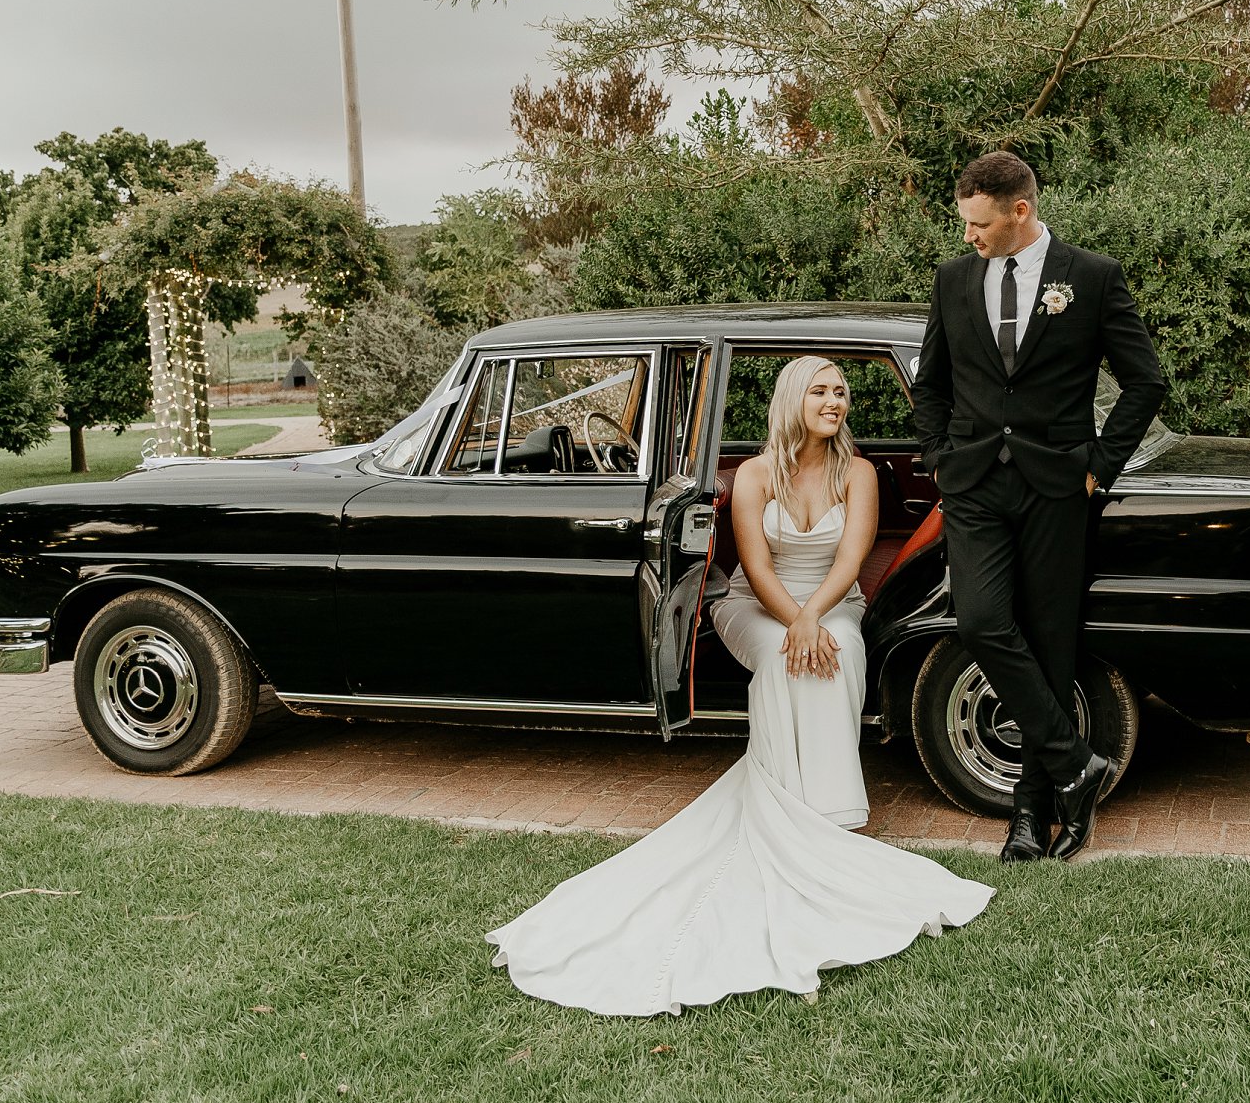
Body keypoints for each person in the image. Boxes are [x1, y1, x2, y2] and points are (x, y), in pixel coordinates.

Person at [487, 355, 992, 1016]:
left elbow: (851, 559)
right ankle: (796, 815)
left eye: (841, 392)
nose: (835, 402)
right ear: (792, 400)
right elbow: (753, 565)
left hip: (833, 600)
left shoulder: (859, 472)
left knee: (838, 648)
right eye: (820, 391)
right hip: (755, 603)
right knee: (786, 659)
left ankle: (828, 820)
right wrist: (794, 622)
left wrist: (813, 618)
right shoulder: (754, 474)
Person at [912, 151, 1166, 863]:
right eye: (966, 223)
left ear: (1019, 211)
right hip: (973, 484)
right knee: (981, 621)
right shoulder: (953, 279)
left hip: (1057, 487)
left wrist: (1099, 467)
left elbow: (1145, 382)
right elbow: (931, 383)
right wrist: (939, 457)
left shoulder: (1092, 277)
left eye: (979, 224)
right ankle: (1076, 763)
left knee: (1050, 643)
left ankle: (1031, 816)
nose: (969, 236)